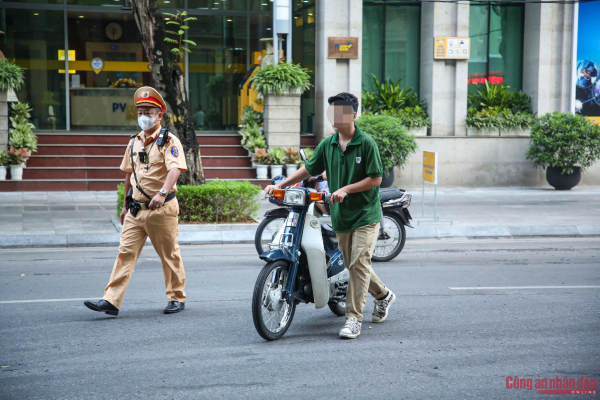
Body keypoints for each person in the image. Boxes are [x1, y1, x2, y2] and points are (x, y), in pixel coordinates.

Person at [264, 92, 395, 339]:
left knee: (358, 263)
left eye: (341, 112)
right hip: (341, 216)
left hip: (366, 215)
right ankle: (384, 295)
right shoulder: (329, 143)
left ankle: (353, 319)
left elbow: (375, 178)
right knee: (355, 264)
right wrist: (282, 185)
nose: (335, 117)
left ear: (353, 115)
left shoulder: (366, 143)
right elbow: (309, 169)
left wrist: (345, 188)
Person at [84, 86, 188, 316]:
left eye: (149, 111)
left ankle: (176, 297)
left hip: (161, 209)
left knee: (169, 254)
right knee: (125, 253)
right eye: (140, 111)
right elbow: (129, 174)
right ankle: (111, 301)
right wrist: (124, 205)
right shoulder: (134, 142)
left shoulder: (169, 141)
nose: (143, 116)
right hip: (135, 210)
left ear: (159, 115)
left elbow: (175, 170)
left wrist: (162, 193)